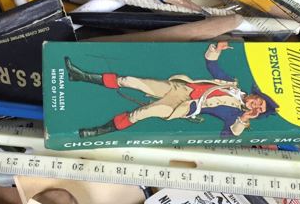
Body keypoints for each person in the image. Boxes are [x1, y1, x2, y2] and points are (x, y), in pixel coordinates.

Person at [64, 41, 278, 138]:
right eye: (259, 101)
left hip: (183, 106)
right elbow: (212, 66)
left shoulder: (235, 115)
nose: (256, 105)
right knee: (129, 80)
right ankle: (80, 76)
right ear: (255, 94)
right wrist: (216, 49)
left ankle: (98, 132)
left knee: (142, 113)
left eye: (259, 109)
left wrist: (244, 120)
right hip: (180, 87)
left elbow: (228, 134)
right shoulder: (231, 83)